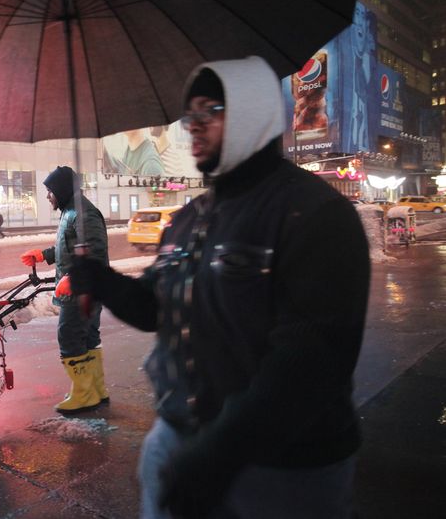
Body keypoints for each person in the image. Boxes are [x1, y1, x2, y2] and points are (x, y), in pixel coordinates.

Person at [69, 56, 370, 518]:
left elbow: (310, 363)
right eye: (190, 114)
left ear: (252, 112)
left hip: (284, 472)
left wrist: (219, 453)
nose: (194, 124)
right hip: (180, 447)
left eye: (211, 110)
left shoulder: (315, 215)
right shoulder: (190, 219)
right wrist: (102, 281)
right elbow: (155, 309)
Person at [19, 166, 110, 414]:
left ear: (61, 189)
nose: (48, 196)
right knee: (88, 337)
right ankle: (96, 389)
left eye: (49, 191)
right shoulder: (71, 211)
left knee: (69, 336)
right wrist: (44, 254)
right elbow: (70, 246)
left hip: (81, 291)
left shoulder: (83, 214)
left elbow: (96, 251)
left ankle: (83, 395)